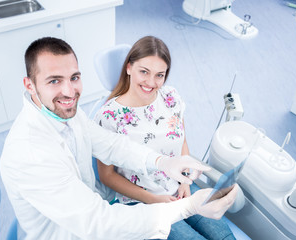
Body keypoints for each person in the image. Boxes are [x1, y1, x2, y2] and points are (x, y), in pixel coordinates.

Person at [0, 36, 239, 240]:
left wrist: (163, 162)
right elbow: (100, 223)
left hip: (97, 214)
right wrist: (186, 207)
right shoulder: (30, 153)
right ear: (29, 85)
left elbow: (112, 145)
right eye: (54, 81)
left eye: (74, 77)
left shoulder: (65, 113)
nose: (69, 91)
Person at [94, 36, 236, 240]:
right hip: (142, 201)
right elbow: (107, 176)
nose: (151, 82)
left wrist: (185, 182)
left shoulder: (171, 98)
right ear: (128, 68)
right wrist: (152, 199)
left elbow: (182, 141)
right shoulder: (108, 116)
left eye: (159, 75)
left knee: (224, 237)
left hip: (181, 188)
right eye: (144, 72)